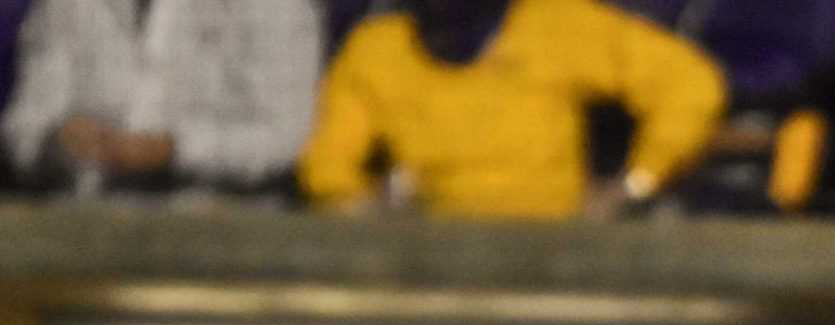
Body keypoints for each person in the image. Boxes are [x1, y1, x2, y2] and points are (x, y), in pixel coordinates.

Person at [299, 0, 725, 219]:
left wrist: (636, 183)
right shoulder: (381, 47)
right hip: (427, 246)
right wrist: (358, 206)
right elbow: (328, 165)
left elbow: (689, 84)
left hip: (552, 246)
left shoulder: (552, 24)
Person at [1, 0, 323, 198]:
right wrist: (56, 141)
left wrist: (172, 149)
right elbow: (24, 124)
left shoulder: (277, 6)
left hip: (223, 233)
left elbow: (285, 138)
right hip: (90, 226)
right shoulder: (66, 4)